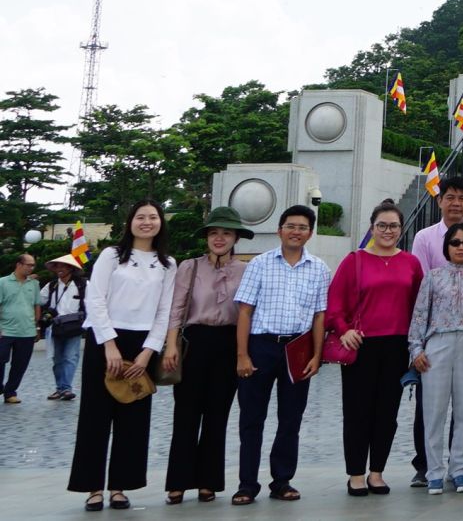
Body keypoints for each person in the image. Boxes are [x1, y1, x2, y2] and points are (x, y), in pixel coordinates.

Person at [69, 199, 176, 510]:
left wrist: (147, 354)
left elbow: (165, 311)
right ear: (130, 222)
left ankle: (120, 486)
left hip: (143, 344)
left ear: (160, 223)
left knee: (134, 418)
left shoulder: (168, 264)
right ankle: (92, 488)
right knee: (95, 416)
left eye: (153, 217)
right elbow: (95, 299)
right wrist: (109, 344)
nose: (147, 222)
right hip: (105, 340)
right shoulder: (112, 256)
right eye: (140, 217)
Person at [232, 204, 329, 505]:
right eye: (290, 226)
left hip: (297, 349)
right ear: (279, 229)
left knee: (290, 419)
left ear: (310, 233)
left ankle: (282, 480)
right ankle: (247, 484)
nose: (296, 231)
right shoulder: (259, 264)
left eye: (302, 227)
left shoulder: (320, 269)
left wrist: (317, 355)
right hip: (260, 346)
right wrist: (242, 355)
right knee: (252, 418)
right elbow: (245, 312)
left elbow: (319, 317)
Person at [329, 200, 423, 495]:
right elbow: (334, 305)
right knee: (357, 412)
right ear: (372, 227)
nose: (387, 230)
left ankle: (377, 472)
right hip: (362, 345)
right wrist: (343, 331)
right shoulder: (354, 260)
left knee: (387, 412)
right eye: (381, 225)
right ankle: (356, 473)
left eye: (393, 225)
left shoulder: (411, 263)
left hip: (397, 346)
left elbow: (419, 307)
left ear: (401, 228)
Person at [408, 175, 463, 488]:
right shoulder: (431, 274)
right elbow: (419, 311)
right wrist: (415, 349)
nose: (461, 246)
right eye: (455, 243)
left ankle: (459, 467)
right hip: (438, 344)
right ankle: (431, 471)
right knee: (433, 410)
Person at [161, 207, 252, 503]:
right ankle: (178, 480)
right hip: (194, 342)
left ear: (236, 237)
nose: (219, 238)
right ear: (206, 237)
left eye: (226, 233)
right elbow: (176, 308)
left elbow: (248, 314)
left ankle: (208, 481)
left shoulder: (246, 270)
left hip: (228, 343)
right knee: (185, 413)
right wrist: (171, 344)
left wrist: (243, 353)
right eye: (214, 233)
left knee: (217, 415)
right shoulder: (190, 267)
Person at [42, 254, 88, 401]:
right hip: (56, 326)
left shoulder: (83, 285)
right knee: (57, 359)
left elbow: (94, 303)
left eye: (63, 266)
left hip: (74, 326)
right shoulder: (51, 285)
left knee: (70, 357)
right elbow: (38, 300)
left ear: (71, 268)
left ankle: (66, 388)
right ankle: (61, 388)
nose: (59, 269)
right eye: (57, 266)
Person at [0, 252, 37, 404]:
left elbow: (37, 305)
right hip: (5, 330)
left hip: (27, 330)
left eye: (33, 265)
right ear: (19, 265)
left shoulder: (34, 284)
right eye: (29, 264)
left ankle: (10, 392)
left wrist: (37, 326)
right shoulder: (3, 282)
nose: (31, 268)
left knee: (20, 364)